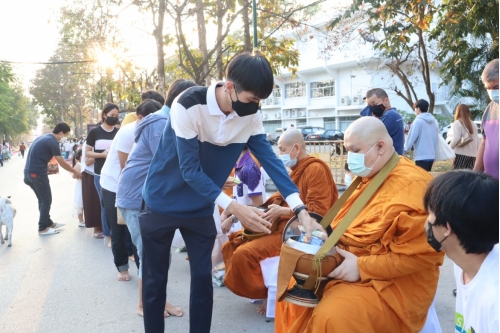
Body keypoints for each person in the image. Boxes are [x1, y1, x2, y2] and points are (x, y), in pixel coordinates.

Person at [139, 53, 321, 333]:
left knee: (202, 279)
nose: (254, 106)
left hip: (200, 206)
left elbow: (272, 163)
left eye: (259, 101)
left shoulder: (251, 116)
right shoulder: (188, 103)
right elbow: (190, 170)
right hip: (161, 201)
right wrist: (234, 208)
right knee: (154, 282)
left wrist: (300, 209)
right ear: (230, 87)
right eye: (251, 99)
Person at [276, 117, 444, 333]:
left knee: (333, 317)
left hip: (390, 282)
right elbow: (353, 226)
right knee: (292, 287)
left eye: (354, 150)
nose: (349, 158)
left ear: (381, 146)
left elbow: (423, 255)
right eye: (347, 151)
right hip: (345, 263)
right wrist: (326, 236)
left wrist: (361, 267)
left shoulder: (415, 187)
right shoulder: (369, 176)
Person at [221, 129, 338, 318]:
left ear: (296, 148)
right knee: (234, 242)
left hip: (298, 234)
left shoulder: (315, 169)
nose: (280, 155)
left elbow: (319, 212)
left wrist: (284, 211)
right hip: (280, 227)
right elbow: (275, 201)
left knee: (245, 253)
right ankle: (265, 290)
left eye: (283, 150)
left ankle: (268, 293)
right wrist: (234, 216)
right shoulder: (295, 171)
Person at [117, 81, 195, 317]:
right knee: (149, 252)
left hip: (144, 195)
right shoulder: (162, 122)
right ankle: (145, 304)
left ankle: (158, 300)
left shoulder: (166, 120)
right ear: (183, 100)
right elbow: (174, 163)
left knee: (158, 251)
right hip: (135, 197)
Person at [423, 171, 498, 333]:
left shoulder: (494, 302)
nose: (426, 222)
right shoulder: (465, 264)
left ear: (447, 228)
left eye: (429, 214)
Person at [100, 99, 162, 282]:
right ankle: (122, 268)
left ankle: (142, 270)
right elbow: (124, 165)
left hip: (137, 186)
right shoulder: (128, 132)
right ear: (141, 118)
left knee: (137, 230)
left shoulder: (152, 130)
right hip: (113, 184)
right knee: (118, 229)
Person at [24, 122, 82, 235]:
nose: (65, 138)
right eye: (65, 135)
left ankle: (48, 223)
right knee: (46, 200)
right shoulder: (52, 141)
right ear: (61, 133)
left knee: (42, 199)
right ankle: (42, 228)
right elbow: (62, 162)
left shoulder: (44, 137)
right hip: (37, 174)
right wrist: (75, 171)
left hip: (29, 174)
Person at [85, 104, 120, 242]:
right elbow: (87, 152)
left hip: (117, 174)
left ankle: (119, 234)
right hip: (100, 174)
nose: (114, 118)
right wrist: (102, 155)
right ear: (104, 115)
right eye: (112, 115)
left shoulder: (118, 132)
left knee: (117, 205)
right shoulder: (95, 132)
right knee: (105, 206)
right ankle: (109, 235)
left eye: (116, 116)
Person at [474, 59, 499, 179]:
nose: (493, 92)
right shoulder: (490, 109)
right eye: (488, 88)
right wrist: (475, 175)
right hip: (491, 185)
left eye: (496, 86)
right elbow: (485, 141)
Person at [365, 88, 405, 155]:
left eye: (374, 104)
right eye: (369, 106)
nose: (372, 108)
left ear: (386, 100)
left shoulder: (390, 116)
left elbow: (371, 138)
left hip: (390, 160)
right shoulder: (394, 114)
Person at [403, 99, 438, 171]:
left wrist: (403, 150)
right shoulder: (433, 121)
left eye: (415, 108)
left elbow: (411, 138)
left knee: (421, 180)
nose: (414, 111)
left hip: (421, 156)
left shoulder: (418, 121)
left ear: (418, 109)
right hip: (431, 155)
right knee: (427, 178)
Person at [81, 136, 103, 238]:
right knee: (94, 202)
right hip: (91, 174)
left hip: (105, 173)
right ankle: (96, 228)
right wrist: (102, 154)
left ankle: (106, 227)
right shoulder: (90, 143)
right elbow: (88, 161)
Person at [449, 104, 480, 170]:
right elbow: (477, 140)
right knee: (469, 177)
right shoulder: (473, 124)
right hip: (473, 155)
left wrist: (450, 148)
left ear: (458, 112)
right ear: (468, 112)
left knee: (457, 176)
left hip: (460, 154)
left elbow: (456, 138)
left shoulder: (457, 123)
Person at [72, 149, 85, 227]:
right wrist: (80, 175)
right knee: (80, 202)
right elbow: (74, 176)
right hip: (80, 185)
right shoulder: (79, 165)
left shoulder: (87, 164)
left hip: (86, 185)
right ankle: (81, 221)